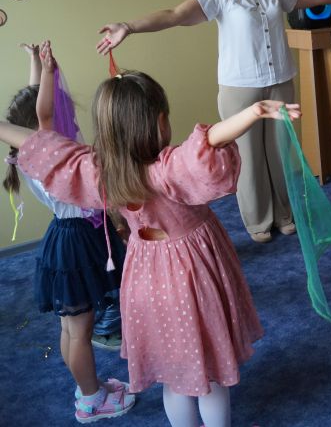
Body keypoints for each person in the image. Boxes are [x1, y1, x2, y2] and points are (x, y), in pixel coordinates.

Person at [1, 68, 300, 427]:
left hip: (146, 278)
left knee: (174, 379)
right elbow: (208, 143)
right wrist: (252, 113)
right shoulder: (167, 169)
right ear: (161, 122)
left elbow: (45, 148)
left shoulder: (103, 173)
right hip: (190, 275)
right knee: (209, 380)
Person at [96, 0, 331, 243]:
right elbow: (174, 14)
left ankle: (285, 214)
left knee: (280, 153)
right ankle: (258, 221)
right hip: (240, 89)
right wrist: (129, 26)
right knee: (248, 157)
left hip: (279, 81)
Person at [2, 42, 132, 424]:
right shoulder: (50, 153)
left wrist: (37, 67)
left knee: (72, 328)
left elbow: (35, 113)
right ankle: (91, 400)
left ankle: (87, 386)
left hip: (68, 236)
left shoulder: (30, 154)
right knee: (79, 331)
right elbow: (42, 116)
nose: (67, 116)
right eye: (62, 111)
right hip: (75, 242)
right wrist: (47, 72)